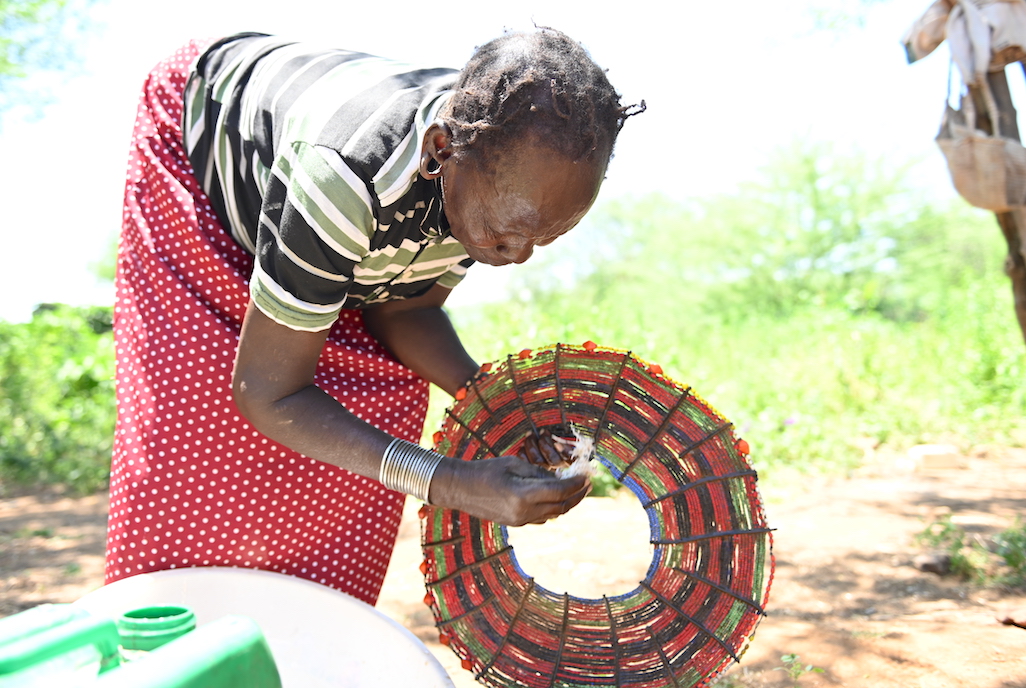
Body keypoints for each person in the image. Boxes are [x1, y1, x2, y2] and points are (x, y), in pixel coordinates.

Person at [105, 29, 642, 605]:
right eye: (508, 232)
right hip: (203, 154)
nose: (520, 255)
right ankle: (163, 634)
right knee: (197, 435)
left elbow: (403, 310)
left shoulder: (492, 167)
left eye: (549, 234)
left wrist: (500, 405)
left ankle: (312, 637)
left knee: (385, 391)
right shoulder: (347, 172)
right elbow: (266, 392)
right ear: (440, 151)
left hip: (341, 202)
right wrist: (447, 481)